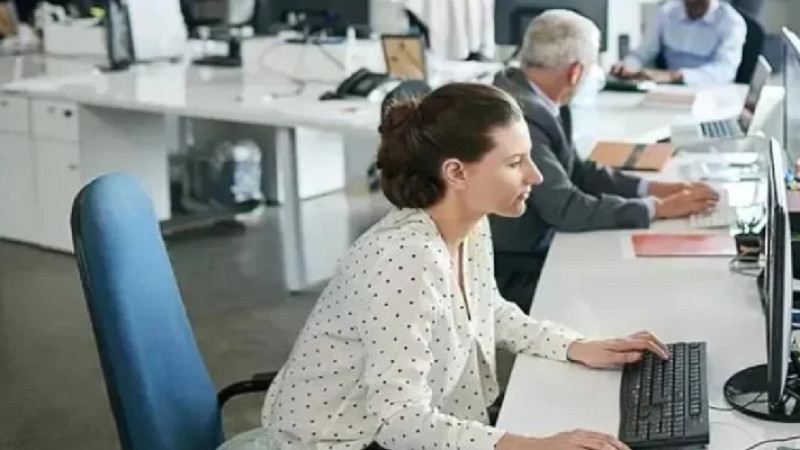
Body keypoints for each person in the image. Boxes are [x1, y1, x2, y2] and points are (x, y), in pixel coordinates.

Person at [259, 83, 669, 450]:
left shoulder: (470, 225)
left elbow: (487, 309)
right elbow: (398, 422)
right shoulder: (404, 261)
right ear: (455, 172)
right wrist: (531, 446)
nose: (536, 176)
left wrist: (575, 346)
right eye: (515, 162)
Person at [492, 10, 719, 311]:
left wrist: (654, 189)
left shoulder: (535, 95)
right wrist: (658, 209)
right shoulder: (523, 115)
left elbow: (578, 171)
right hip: (520, 266)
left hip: (541, 246)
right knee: (632, 289)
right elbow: (566, 208)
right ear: (575, 72)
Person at [610, 0, 746, 86]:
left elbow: (724, 71)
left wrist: (675, 76)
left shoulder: (731, 22)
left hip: (712, 97)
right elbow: (643, 53)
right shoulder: (665, 12)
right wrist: (626, 66)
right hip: (670, 93)